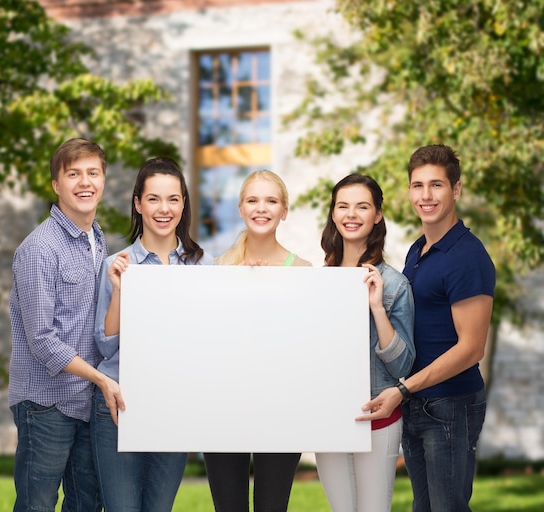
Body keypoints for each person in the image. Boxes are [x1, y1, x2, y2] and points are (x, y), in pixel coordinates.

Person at [357, 144, 496, 511]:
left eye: (436, 185)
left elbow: (471, 349)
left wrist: (403, 389)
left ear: (457, 190)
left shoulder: (467, 256)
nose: (426, 195)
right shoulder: (417, 251)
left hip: (450, 404)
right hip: (418, 402)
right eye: (418, 186)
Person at [92, 157, 215, 512]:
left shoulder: (204, 267)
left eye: (173, 199)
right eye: (154, 199)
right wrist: (119, 289)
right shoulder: (116, 264)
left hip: (173, 409)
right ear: (138, 203)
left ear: (183, 204)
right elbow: (105, 346)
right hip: (119, 407)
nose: (164, 209)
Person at [8, 138, 125, 512]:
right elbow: (42, 338)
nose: (85, 182)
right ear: (56, 185)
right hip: (45, 403)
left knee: (86, 505)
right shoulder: (39, 248)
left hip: (86, 402)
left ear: (104, 180)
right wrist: (103, 379)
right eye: (73, 174)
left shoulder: (97, 239)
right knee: (36, 506)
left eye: (93, 173)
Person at [203, 170, 311, 512]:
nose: (261, 208)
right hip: (225, 409)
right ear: (240, 208)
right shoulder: (218, 270)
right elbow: (211, 347)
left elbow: (304, 349)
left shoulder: (304, 271)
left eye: (271, 200)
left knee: (272, 507)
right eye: (252, 200)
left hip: (282, 410)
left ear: (284, 210)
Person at [315, 173, 415, 512]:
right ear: (333, 214)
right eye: (343, 206)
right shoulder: (319, 282)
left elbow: (403, 366)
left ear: (378, 214)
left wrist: (377, 307)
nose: (351, 214)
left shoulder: (395, 285)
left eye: (362, 206)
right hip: (328, 416)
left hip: (378, 417)